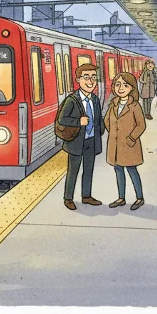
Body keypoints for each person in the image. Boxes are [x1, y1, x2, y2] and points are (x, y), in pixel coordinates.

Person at [56, 63, 104, 210]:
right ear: (78, 80)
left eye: (94, 78)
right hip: (76, 142)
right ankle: (68, 198)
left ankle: (86, 196)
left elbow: (98, 118)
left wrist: (100, 130)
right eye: (87, 78)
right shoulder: (72, 100)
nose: (91, 81)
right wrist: (78, 122)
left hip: (91, 140)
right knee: (73, 170)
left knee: (88, 169)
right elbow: (61, 119)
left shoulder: (95, 99)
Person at [103, 72, 147, 210]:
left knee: (132, 170)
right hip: (115, 145)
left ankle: (139, 198)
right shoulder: (113, 103)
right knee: (118, 170)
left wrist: (131, 138)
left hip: (129, 145)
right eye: (117, 84)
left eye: (125, 85)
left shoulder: (134, 106)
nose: (121, 88)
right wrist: (114, 133)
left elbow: (141, 125)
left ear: (131, 88)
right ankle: (121, 198)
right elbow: (107, 120)